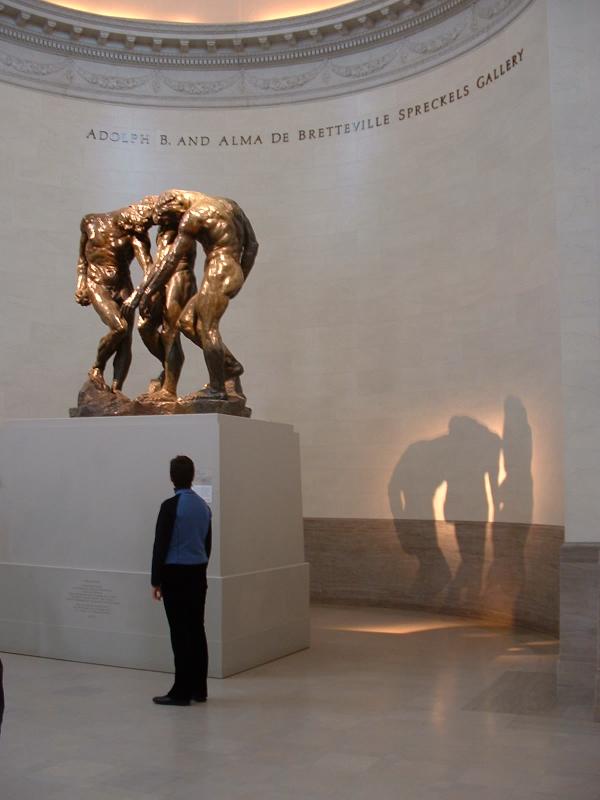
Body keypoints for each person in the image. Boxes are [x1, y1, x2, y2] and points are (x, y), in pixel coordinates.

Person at [124, 189, 258, 400]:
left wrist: (146, 291)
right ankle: (231, 366)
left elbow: (171, 260)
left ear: (176, 203)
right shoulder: (229, 203)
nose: (173, 222)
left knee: (208, 328)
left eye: (171, 217)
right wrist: (240, 273)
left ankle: (217, 389)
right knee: (186, 322)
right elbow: (252, 245)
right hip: (230, 270)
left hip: (218, 271)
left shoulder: (193, 216)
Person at [75, 195, 157, 392]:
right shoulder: (91, 221)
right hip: (97, 283)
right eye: (140, 224)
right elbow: (82, 259)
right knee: (119, 328)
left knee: (125, 339)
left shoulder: (136, 234)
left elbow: (148, 267)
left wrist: (149, 292)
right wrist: (80, 284)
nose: (140, 229)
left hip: (123, 286)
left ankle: (117, 389)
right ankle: (97, 367)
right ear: (131, 213)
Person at [151, 455, 212, 706]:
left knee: (180, 633)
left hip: (175, 574)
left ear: (172, 477)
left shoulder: (170, 506)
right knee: (197, 630)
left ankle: (181, 692)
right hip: (197, 573)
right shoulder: (203, 507)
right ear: (192, 475)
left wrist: (156, 580)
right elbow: (207, 544)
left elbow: (161, 545)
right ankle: (199, 688)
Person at [137, 214, 198, 398]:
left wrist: (142, 293)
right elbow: (159, 264)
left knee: (172, 332)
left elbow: (168, 262)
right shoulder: (163, 229)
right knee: (145, 327)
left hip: (179, 278)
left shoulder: (181, 228)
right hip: (161, 281)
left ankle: (169, 388)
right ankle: (168, 369)